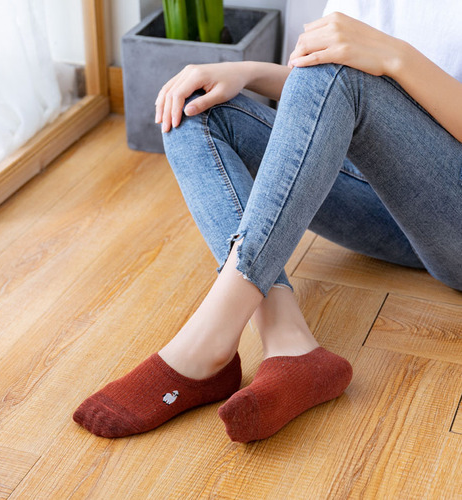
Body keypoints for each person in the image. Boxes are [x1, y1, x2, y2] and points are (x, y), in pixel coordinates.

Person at [73, 1, 462, 443]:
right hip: (383, 199)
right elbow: (330, 80)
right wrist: (249, 72)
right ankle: (288, 339)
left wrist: (397, 57)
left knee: (339, 73)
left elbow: (349, 77)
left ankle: (208, 342)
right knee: (195, 107)